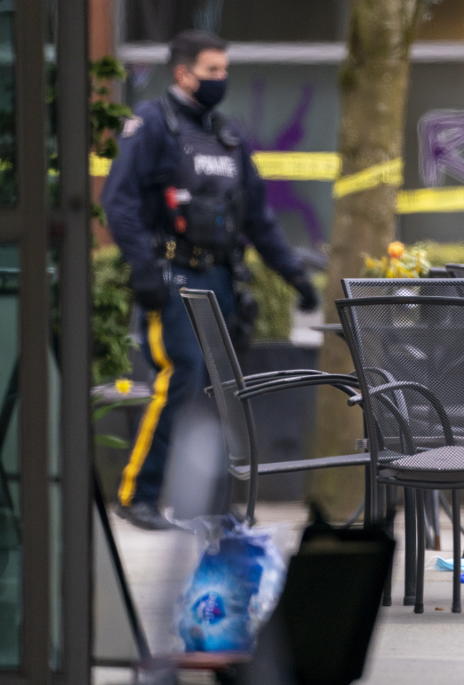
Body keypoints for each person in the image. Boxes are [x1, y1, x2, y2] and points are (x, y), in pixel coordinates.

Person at [102, 29, 318, 530]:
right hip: (171, 272)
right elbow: (120, 204)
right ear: (182, 73)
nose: (222, 79)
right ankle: (138, 496)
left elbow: (259, 220)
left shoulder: (228, 136)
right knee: (180, 377)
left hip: (220, 277)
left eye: (224, 70)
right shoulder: (153, 126)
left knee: (220, 387)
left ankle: (213, 505)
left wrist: (293, 276)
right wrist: (144, 271)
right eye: (212, 71)